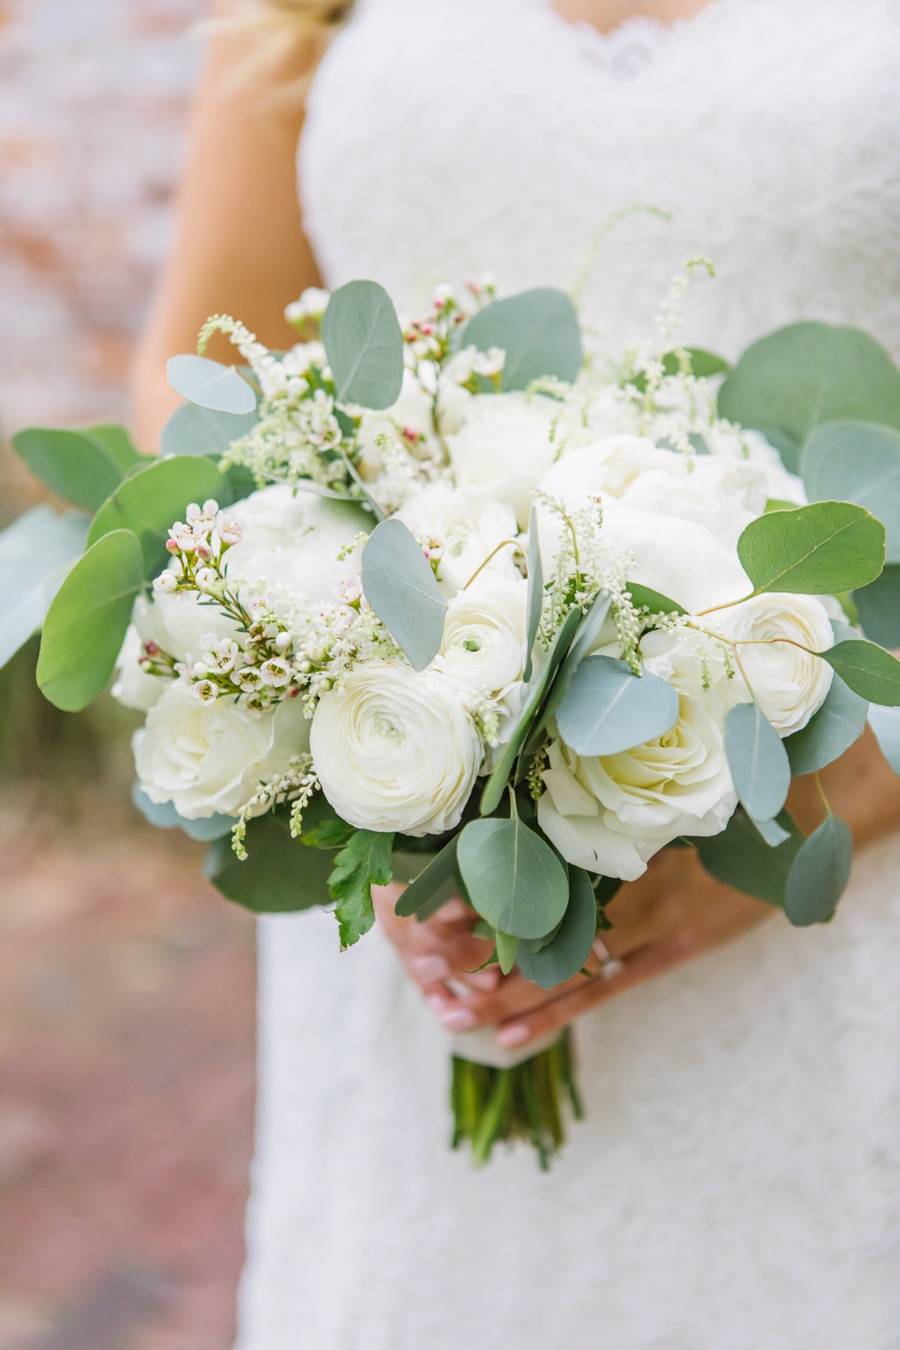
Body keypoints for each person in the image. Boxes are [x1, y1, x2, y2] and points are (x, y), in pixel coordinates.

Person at [132, 2, 900, 1345]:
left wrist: (854, 782)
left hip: (843, 884)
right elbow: (205, 354)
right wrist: (342, 729)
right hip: (408, 903)